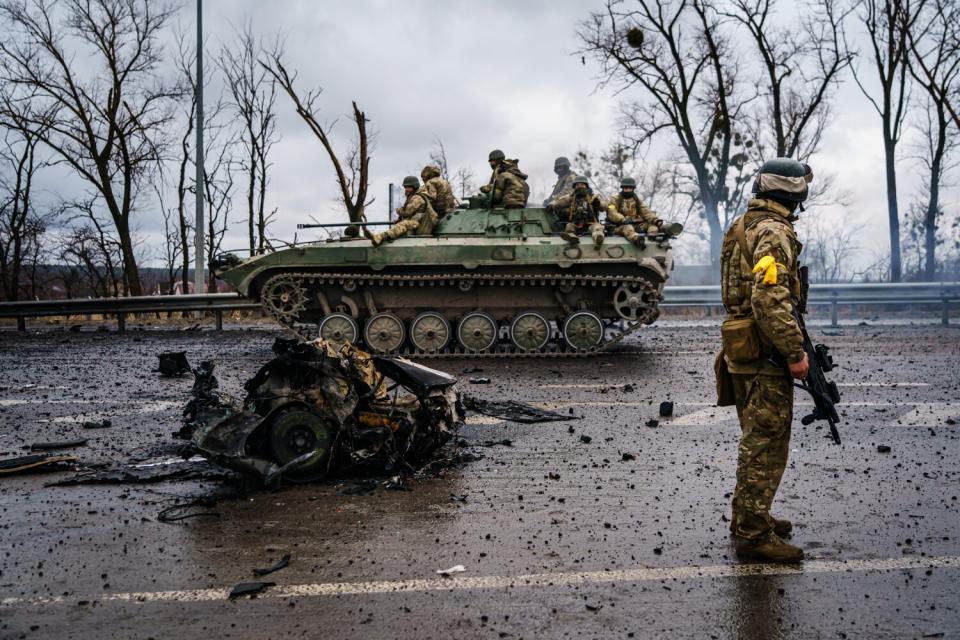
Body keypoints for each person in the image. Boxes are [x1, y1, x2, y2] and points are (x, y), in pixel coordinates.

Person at [718, 157, 814, 563]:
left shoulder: (744, 224)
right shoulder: (774, 231)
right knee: (766, 441)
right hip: (765, 351)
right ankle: (752, 535)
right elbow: (768, 297)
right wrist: (794, 352)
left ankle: (750, 516)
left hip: (744, 347)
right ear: (793, 194)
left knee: (756, 437)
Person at [364, 176, 437, 247]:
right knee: (401, 225)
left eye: (408, 187)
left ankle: (380, 237)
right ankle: (380, 237)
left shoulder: (418, 197)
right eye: (405, 187)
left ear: (414, 186)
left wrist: (399, 210)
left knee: (403, 225)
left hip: (418, 223)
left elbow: (407, 211)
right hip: (414, 222)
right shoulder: (413, 196)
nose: (406, 189)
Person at [607, 177, 667, 244]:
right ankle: (637, 239)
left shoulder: (636, 200)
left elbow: (645, 211)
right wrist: (622, 219)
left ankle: (652, 237)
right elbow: (611, 212)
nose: (628, 190)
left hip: (636, 225)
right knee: (628, 228)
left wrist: (655, 220)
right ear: (623, 188)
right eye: (626, 188)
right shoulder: (615, 199)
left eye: (630, 188)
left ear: (633, 189)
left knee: (651, 226)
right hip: (620, 226)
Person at [548, 175, 605, 246]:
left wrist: (598, 203)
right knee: (569, 226)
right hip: (575, 224)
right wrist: (552, 204)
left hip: (590, 224)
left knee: (597, 227)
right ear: (574, 187)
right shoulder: (571, 197)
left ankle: (598, 238)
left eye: (582, 184)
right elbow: (560, 201)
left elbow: (604, 206)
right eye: (577, 185)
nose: (580, 186)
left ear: (586, 186)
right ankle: (572, 237)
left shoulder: (592, 197)